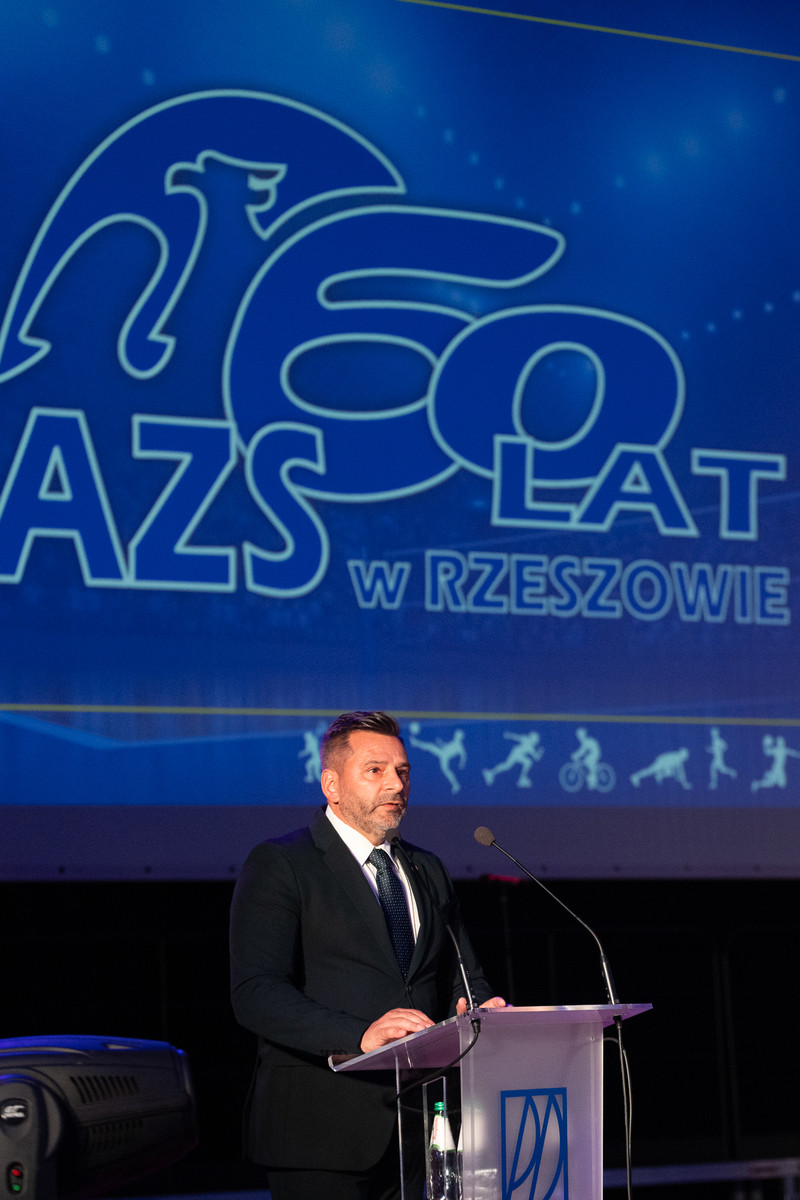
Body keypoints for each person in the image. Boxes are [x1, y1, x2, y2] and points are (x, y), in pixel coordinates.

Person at [229, 710, 505, 1200]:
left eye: (402, 771)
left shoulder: (427, 868)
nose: (395, 784)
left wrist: (477, 1009)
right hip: (321, 1132)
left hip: (424, 1130)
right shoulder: (282, 863)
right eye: (375, 770)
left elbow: (464, 977)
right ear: (331, 785)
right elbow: (257, 992)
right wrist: (360, 1035)